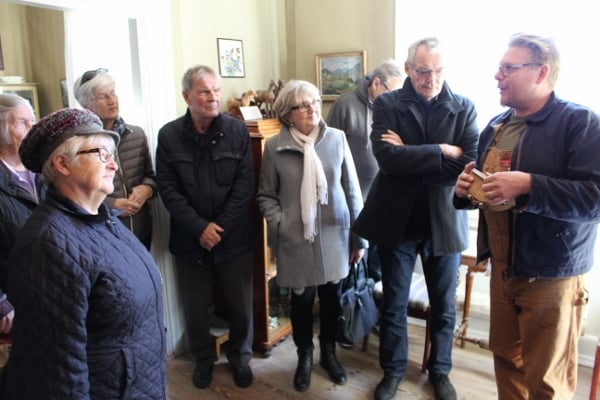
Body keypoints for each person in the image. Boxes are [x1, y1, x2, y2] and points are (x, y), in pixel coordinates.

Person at [454, 33, 600, 399]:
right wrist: (467, 191)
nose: (497, 75)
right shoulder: (496, 126)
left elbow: (594, 198)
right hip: (504, 269)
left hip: (551, 276)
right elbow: (493, 193)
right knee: (508, 365)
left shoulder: (580, 123)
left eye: (508, 68)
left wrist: (530, 185)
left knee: (547, 382)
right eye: (499, 67)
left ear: (541, 72)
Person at [3, 108, 166, 399]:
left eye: (112, 155)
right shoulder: (48, 247)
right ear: (62, 163)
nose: (113, 165)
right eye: (101, 153)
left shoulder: (104, 220)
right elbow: (58, 376)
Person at [353, 37, 479, 400]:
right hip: (397, 219)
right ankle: (392, 371)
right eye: (423, 71)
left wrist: (411, 153)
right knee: (394, 304)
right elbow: (387, 160)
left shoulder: (464, 107)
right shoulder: (387, 103)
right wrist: (442, 150)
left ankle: (440, 371)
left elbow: (468, 162)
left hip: (445, 220)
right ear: (408, 68)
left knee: (444, 305)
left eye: (438, 71)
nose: (431, 79)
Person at [256, 79, 367, 392]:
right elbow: (265, 195)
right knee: (301, 303)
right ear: (288, 114)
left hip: (335, 236)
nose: (312, 109)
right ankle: (305, 356)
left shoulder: (337, 139)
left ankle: (328, 354)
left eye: (315, 101)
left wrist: (358, 239)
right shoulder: (274, 147)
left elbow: (352, 192)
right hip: (296, 240)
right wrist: (282, 223)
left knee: (331, 300)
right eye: (303, 105)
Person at [155, 65, 255, 389]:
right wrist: (200, 228)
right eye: (204, 91)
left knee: (241, 307)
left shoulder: (237, 131)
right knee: (196, 307)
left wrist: (218, 227)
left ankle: (240, 358)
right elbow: (168, 189)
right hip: (190, 240)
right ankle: (203, 359)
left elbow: (244, 186)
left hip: (233, 237)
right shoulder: (169, 136)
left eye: (216, 90)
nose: (213, 97)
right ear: (187, 96)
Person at [327, 60, 404, 283]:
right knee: (354, 271)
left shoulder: (394, 109)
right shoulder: (345, 105)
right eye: (392, 92)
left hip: (383, 202)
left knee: (378, 271)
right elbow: (330, 152)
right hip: (352, 204)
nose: (395, 98)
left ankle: (374, 305)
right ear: (376, 83)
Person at [74, 68, 157, 249]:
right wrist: (111, 205)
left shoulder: (136, 134)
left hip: (141, 231)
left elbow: (150, 175)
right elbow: (74, 194)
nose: (112, 100)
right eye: (103, 96)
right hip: (103, 234)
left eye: (113, 93)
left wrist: (147, 189)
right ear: (87, 105)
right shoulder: (78, 143)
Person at [0, 94, 44, 338]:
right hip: (15, 301)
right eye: (21, 122)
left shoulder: (46, 169)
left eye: (32, 121)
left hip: (52, 293)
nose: (31, 128)